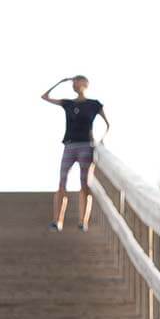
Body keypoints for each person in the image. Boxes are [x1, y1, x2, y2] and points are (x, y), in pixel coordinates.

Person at [41, 75, 109, 231]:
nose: (74, 84)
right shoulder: (68, 103)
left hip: (86, 146)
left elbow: (107, 124)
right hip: (69, 146)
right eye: (73, 82)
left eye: (77, 81)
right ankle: (57, 221)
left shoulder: (94, 104)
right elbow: (44, 97)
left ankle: (83, 221)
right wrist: (60, 81)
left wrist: (101, 139)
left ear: (85, 84)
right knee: (61, 182)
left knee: (85, 184)